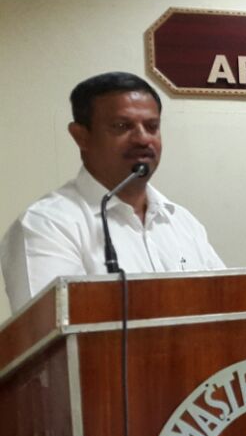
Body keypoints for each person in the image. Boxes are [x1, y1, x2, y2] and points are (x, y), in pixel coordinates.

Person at [1, 72, 224, 312]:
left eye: (152, 127)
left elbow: (228, 307)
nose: (143, 139)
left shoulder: (182, 223)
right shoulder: (47, 225)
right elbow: (52, 330)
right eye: (122, 126)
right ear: (81, 136)